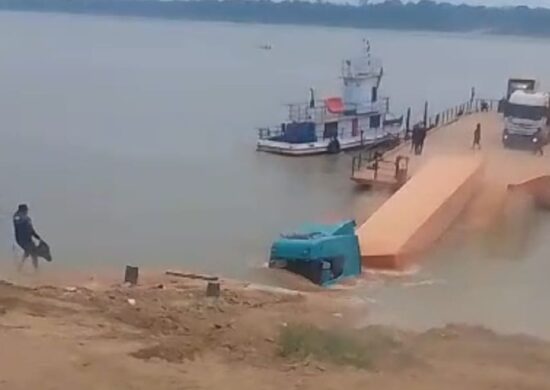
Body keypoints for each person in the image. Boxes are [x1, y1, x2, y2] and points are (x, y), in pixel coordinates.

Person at [13, 204, 41, 270]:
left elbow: (31, 229)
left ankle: (20, 267)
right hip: (22, 239)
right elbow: (18, 222)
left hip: (27, 239)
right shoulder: (18, 217)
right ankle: (36, 270)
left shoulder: (26, 218)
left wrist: (36, 236)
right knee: (32, 252)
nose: (27, 211)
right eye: (26, 210)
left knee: (29, 252)